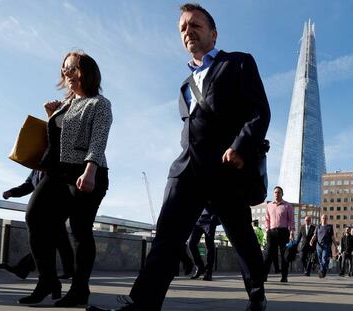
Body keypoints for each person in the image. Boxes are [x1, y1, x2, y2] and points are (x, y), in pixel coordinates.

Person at [88, 3, 270, 311]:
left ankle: (256, 294)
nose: (188, 31)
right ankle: (142, 303)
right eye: (183, 27)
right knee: (167, 237)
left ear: (213, 33)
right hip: (188, 168)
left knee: (242, 238)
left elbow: (259, 111)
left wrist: (240, 146)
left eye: (195, 25)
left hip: (226, 169)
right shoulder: (185, 86)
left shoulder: (238, 62)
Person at [20, 51, 112, 307]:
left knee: (81, 232)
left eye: (71, 69)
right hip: (58, 173)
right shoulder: (65, 104)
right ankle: (48, 280)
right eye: (64, 70)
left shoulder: (99, 103)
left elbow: (98, 140)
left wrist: (90, 170)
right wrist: (50, 114)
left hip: (85, 172)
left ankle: (80, 290)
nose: (66, 74)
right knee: (35, 217)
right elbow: (56, 142)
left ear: (86, 71)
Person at [0, 170, 74, 280]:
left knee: (46, 241)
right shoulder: (35, 169)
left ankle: (23, 269)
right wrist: (11, 192)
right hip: (42, 209)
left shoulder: (56, 162)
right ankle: (70, 271)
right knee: (58, 240)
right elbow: (28, 185)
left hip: (59, 207)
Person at [263, 186, 294, 283]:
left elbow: (291, 221)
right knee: (268, 254)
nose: (277, 194)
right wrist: (267, 230)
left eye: (279, 192)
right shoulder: (269, 205)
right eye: (275, 192)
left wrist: (291, 232)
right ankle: (264, 276)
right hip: (271, 233)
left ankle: (284, 277)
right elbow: (267, 219)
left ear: (282, 194)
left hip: (283, 232)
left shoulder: (287, 206)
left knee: (285, 256)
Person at [188, 206, 220, 281]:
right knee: (191, 243)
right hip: (199, 218)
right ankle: (200, 267)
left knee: (209, 244)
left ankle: (208, 273)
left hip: (211, 216)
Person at [310, 214, 338, 278]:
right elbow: (315, 235)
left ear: (327, 219)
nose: (324, 220)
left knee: (324, 258)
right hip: (319, 246)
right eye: (323, 218)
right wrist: (311, 241)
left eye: (325, 218)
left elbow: (332, 237)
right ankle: (323, 270)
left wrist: (336, 246)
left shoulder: (329, 227)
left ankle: (321, 271)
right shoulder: (318, 226)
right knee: (320, 259)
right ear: (321, 219)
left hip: (326, 245)